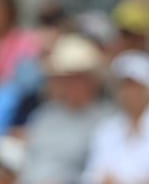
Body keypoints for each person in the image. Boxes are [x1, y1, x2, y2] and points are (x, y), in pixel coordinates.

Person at [81, 51, 149, 184]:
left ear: (148, 89)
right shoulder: (106, 130)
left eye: (136, 87)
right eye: (124, 87)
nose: (130, 93)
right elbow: (94, 175)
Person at [21, 35, 112, 184]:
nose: (66, 84)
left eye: (74, 78)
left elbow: (100, 171)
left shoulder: (106, 120)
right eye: (62, 78)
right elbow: (28, 158)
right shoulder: (44, 115)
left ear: (91, 80)